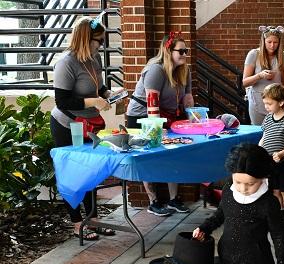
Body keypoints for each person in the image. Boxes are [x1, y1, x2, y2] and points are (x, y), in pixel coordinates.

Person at [51, 16, 116, 241]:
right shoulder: (66, 63)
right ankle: (77, 223)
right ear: (85, 39)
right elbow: (62, 101)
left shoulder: (94, 58)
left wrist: (108, 94)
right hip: (67, 125)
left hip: (89, 124)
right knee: (73, 173)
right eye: (98, 40)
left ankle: (92, 219)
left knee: (90, 171)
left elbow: (99, 86)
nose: (101, 45)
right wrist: (94, 102)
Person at [126, 32, 193, 216]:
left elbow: (188, 100)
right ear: (168, 50)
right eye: (181, 51)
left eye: (186, 51)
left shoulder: (185, 70)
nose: (185, 54)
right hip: (143, 116)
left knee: (175, 153)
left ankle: (173, 199)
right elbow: (152, 104)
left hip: (167, 115)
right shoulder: (156, 69)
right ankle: (153, 201)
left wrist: (193, 120)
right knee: (149, 154)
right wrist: (158, 130)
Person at [258, 83, 284, 236]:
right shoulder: (268, 118)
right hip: (271, 161)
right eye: (265, 104)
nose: (267, 107)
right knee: (275, 190)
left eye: (269, 103)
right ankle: (279, 218)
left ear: (281, 102)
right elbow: (264, 136)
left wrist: (282, 154)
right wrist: (259, 149)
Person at [243, 25, 284, 125]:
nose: (272, 45)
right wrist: (259, 75)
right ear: (263, 41)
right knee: (258, 134)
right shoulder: (254, 54)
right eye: (269, 42)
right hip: (257, 102)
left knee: (276, 135)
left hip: (277, 102)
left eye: (275, 42)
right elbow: (245, 82)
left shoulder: (283, 56)